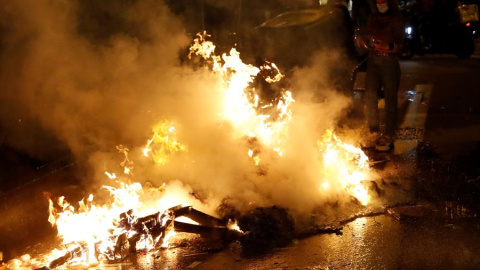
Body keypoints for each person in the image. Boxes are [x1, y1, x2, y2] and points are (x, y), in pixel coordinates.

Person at [360, 0, 404, 151]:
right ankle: (374, 132)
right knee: (370, 96)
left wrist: (388, 47)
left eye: (383, 2)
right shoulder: (373, 18)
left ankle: (389, 135)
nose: (380, 5)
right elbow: (367, 34)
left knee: (390, 98)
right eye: (377, 2)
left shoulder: (395, 19)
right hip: (373, 61)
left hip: (389, 63)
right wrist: (363, 41)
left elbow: (401, 43)